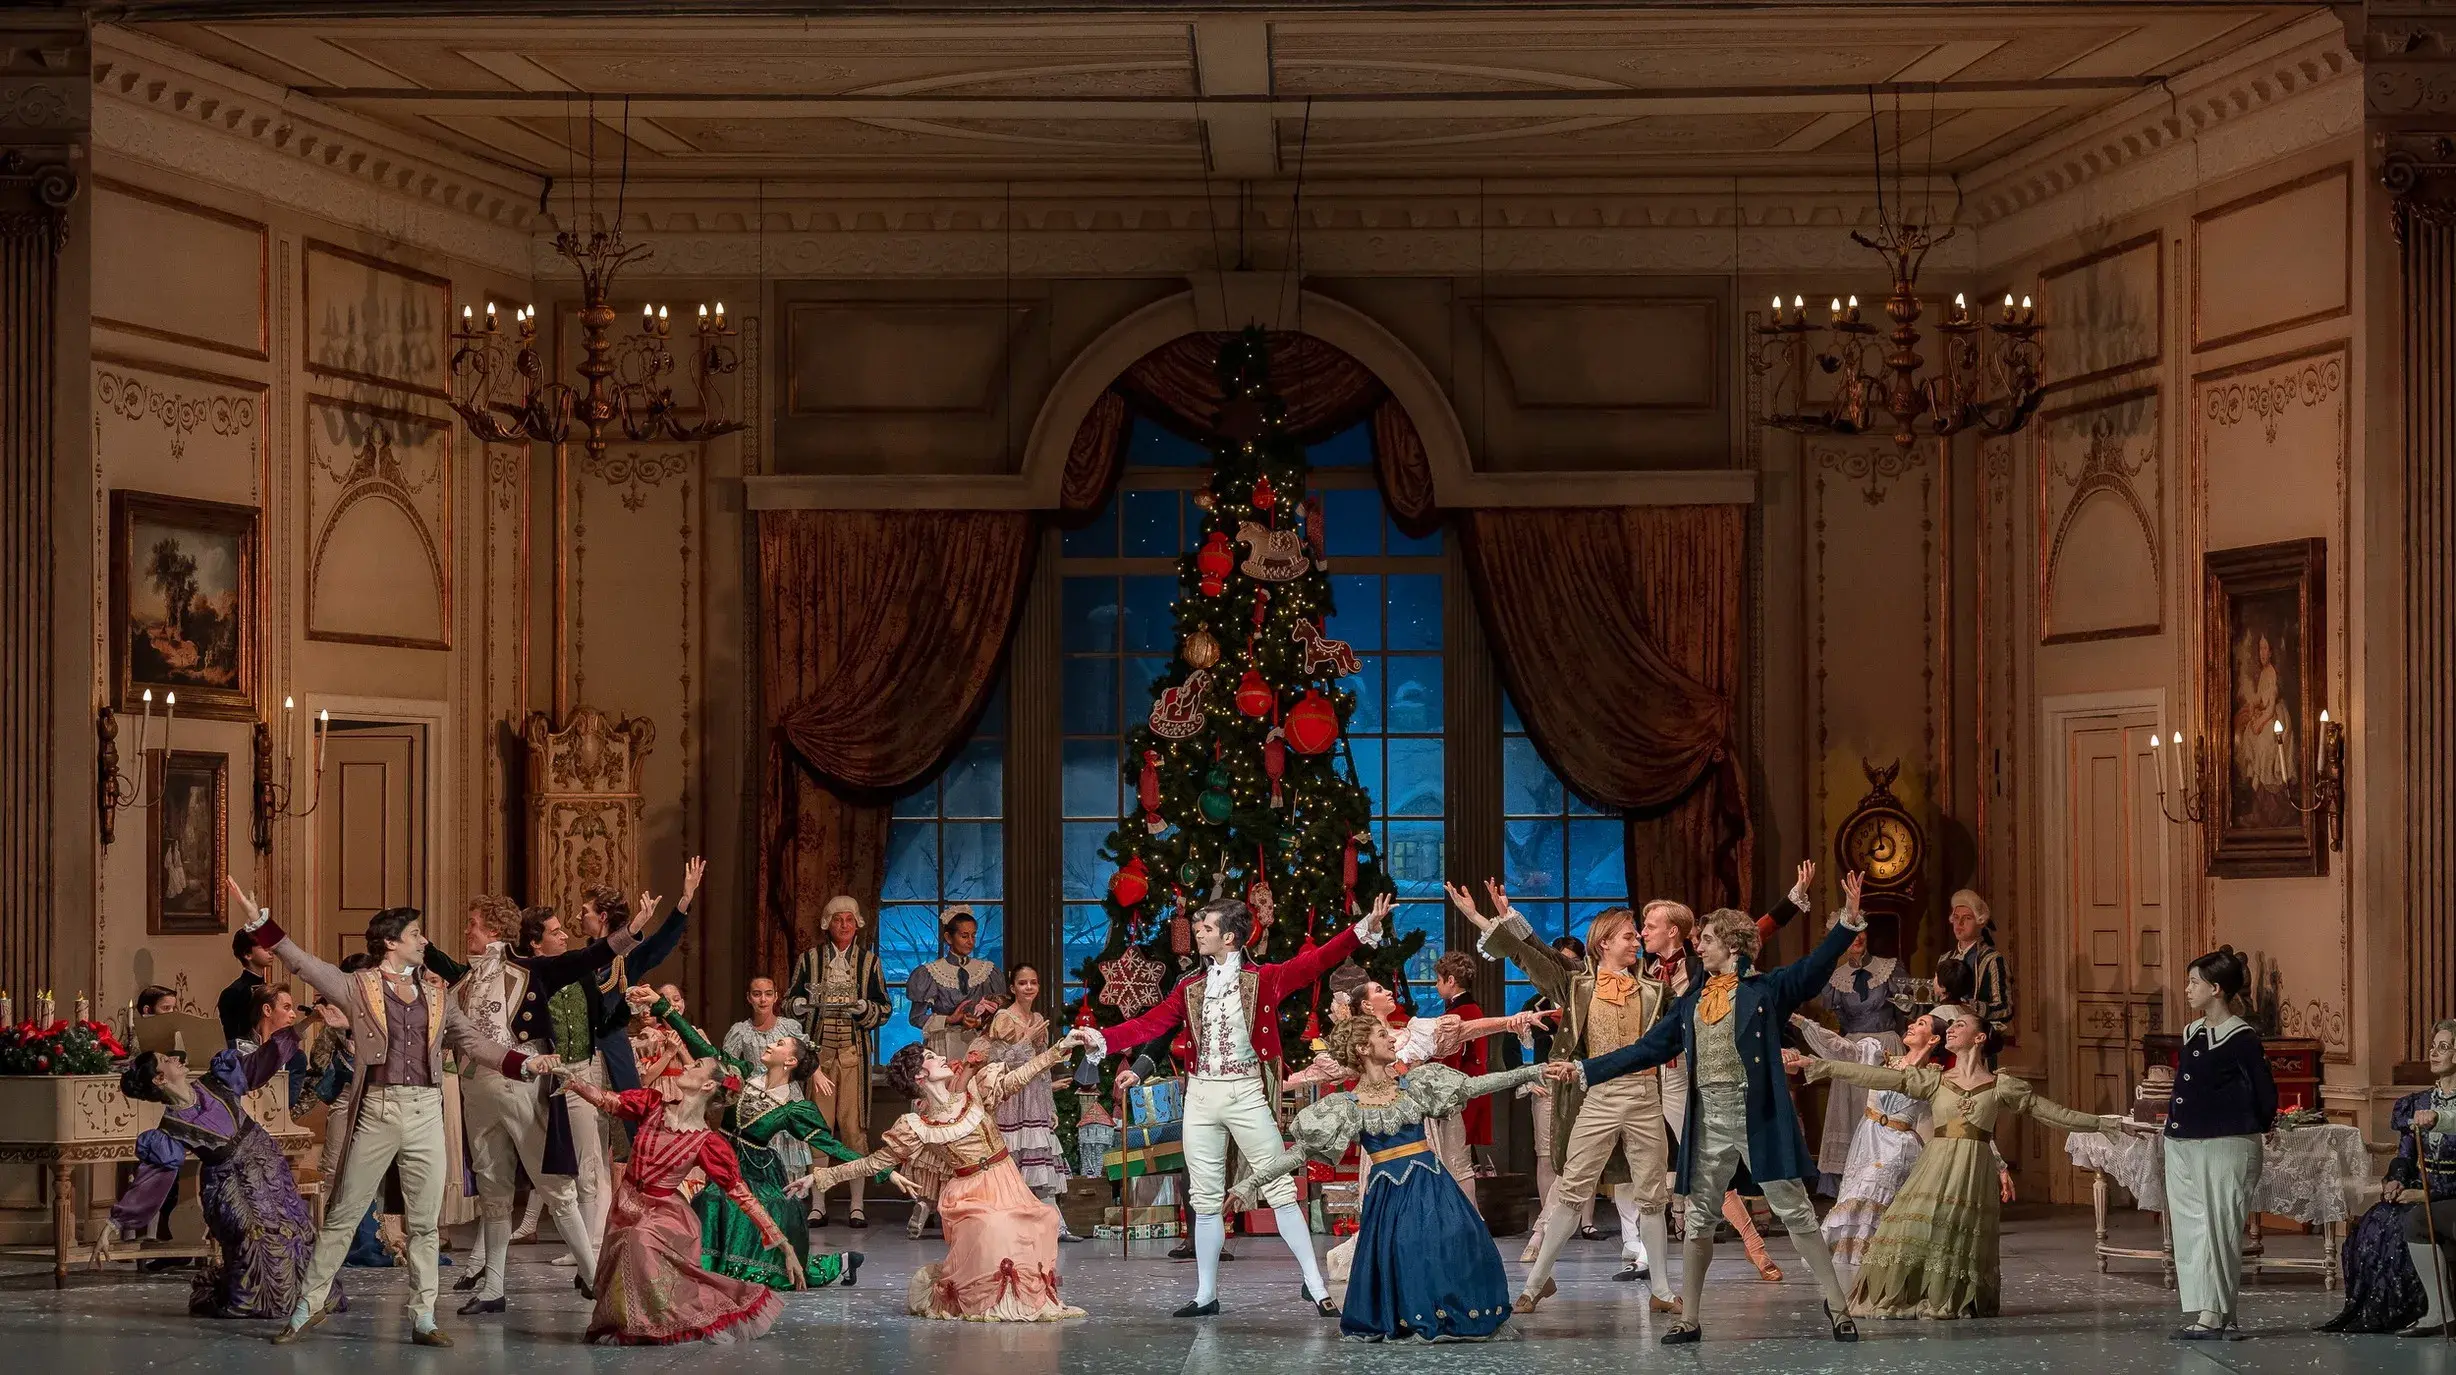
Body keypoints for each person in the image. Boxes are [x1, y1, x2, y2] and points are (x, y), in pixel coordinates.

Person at [221, 877, 561, 1348]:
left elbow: (474, 1042)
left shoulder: (439, 995)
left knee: (424, 1223)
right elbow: (302, 962)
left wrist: (523, 1062)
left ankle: (424, 1316)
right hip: (378, 1110)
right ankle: (307, 1305)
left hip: (425, 1111)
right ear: (390, 943)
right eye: (416, 934)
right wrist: (260, 921)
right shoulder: (358, 987)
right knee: (344, 1213)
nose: (424, 941)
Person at [1576, 877, 1874, 1345]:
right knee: (1699, 1219)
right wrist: (1586, 1070)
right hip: (1709, 1122)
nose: (1698, 946)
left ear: (1733, 946)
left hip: (1757, 1117)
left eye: (1708, 939)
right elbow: (1647, 1049)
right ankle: (1689, 1318)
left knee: (1795, 1212)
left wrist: (1847, 922)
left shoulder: (1766, 990)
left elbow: (1813, 968)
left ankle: (1838, 1307)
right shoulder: (1693, 1000)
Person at [1085, 893, 1386, 1317]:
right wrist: (1102, 1038)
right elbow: (1150, 1023)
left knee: (1279, 1187)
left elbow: (1315, 962)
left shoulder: (1265, 978)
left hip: (1246, 1093)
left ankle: (1315, 1285)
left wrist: (1361, 929)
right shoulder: (1190, 987)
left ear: (1229, 937)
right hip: (1201, 1096)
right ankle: (1205, 1293)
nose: (1198, 934)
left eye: (1206, 928)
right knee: (1205, 1197)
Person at [1228, 1014, 1575, 1343]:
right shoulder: (1348, 1106)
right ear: (1363, 1048)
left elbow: (1474, 1086)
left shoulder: (1414, 1087)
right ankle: (1414, 1315)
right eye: (1383, 1035)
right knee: (1406, 1251)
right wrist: (1249, 1184)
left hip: (1431, 1182)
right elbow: (1298, 1155)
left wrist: (1530, 1071)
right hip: (1390, 1192)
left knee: (1460, 1239)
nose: (1392, 1040)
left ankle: (1454, 1313)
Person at [1449, 880, 1684, 1314]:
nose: (1637, 941)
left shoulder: (1655, 991)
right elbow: (1531, 956)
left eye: (1638, 935)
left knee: (1652, 1195)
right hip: (1598, 1097)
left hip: (1644, 1096)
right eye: (1629, 936)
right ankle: (1536, 1283)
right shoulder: (1578, 986)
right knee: (1572, 1190)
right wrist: (1485, 918)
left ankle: (1662, 1289)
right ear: (1605, 942)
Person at [1791, 1006, 2115, 1317]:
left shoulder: (2001, 1085)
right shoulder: (1935, 1080)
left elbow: (2054, 1113)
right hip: (1934, 1165)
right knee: (1914, 1228)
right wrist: (1818, 1066)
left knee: (1960, 1235)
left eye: (1960, 1025)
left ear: (1979, 1037)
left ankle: (1951, 1297)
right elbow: (1870, 1075)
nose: (1952, 1029)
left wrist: (2104, 1124)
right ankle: (1908, 1292)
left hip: (1973, 1170)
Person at [429, 892, 646, 1315]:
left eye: (473, 923)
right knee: (493, 1192)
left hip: (522, 1086)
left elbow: (586, 958)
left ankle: (593, 1278)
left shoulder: (531, 970)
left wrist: (632, 931)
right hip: (477, 1092)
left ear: (493, 929)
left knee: (555, 1188)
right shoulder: (466, 979)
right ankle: (493, 1288)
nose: (467, 930)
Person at [805, 1034, 1091, 1320]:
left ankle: (1019, 1299)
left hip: (1005, 1178)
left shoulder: (974, 1093)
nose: (942, 1057)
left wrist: (1059, 1048)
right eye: (931, 1057)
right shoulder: (918, 1125)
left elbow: (1019, 1077)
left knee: (1037, 1223)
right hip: (970, 1190)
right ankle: (991, 1302)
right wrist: (822, 1176)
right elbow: (874, 1163)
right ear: (919, 1076)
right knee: (993, 1226)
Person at [103, 1010, 346, 1317]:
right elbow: (151, 1182)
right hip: (231, 1182)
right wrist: (113, 1225)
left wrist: (306, 1023)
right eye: (166, 1059)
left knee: (293, 1226)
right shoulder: (172, 1129)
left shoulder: (218, 1079)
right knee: (252, 1234)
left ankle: (308, 1295)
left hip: (268, 1167)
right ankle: (264, 1300)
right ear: (159, 1078)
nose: (176, 1058)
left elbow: (263, 1059)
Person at [558, 1055, 801, 1343]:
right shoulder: (652, 1105)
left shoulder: (707, 1142)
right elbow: (609, 1101)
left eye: (696, 1065)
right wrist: (574, 1083)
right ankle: (631, 1322)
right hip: (626, 1203)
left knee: (639, 1239)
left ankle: (654, 1326)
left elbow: (741, 1194)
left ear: (708, 1085)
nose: (686, 1066)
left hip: (663, 1214)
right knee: (624, 1262)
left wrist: (783, 1244)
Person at [633, 988, 865, 1290]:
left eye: (779, 1044)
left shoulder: (791, 1108)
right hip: (725, 1159)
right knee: (711, 1200)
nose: (771, 1044)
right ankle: (701, 1268)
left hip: (758, 1172)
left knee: (741, 1205)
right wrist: (662, 1006)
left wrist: (883, 1169)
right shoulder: (741, 1076)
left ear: (790, 1061)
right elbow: (701, 1046)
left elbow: (832, 1146)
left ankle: (835, 1263)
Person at [1641, 897, 1786, 1286]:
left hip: (1686, 1075)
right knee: (1639, 1164)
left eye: (1650, 926)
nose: (1642, 933)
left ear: (1673, 931)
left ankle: (1754, 1243)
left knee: (1708, 1164)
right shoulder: (1643, 971)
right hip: (1647, 1075)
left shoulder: (1699, 966)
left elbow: (1755, 932)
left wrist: (1790, 903)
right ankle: (1640, 1251)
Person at [2160, 946, 2278, 1341]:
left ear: (2216, 989)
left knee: (2220, 1228)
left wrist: (2259, 1124)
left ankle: (2219, 1315)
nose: (2187, 989)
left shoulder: (2241, 1037)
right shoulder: (2192, 1032)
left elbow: (2264, 1091)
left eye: (2194, 982)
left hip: (2226, 1142)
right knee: (2193, 1228)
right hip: (2183, 1140)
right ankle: (2209, 1311)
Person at [1788, 1008, 1962, 1265]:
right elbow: (1841, 1050)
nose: (1911, 1026)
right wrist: (1801, 1021)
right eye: (1914, 1022)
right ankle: (1850, 1259)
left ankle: (1872, 1256)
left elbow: (1958, 1118)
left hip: (1899, 1144)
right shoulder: (1880, 1057)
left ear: (1934, 1039)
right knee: (1856, 1194)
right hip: (1868, 1138)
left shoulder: (1933, 1077)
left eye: (1921, 1024)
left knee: (1872, 1188)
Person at [2321, 1018, 2456, 1335]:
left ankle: (2433, 1310)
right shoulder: (2418, 1103)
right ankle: (2386, 1312)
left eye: (2443, 1047)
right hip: (2418, 1187)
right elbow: (2406, 1154)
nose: (2434, 1053)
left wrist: (2425, 1194)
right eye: (2433, 1046)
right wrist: (2396, 1179)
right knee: (2378, 1221)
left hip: (2446, 1193)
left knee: (2410, 1221)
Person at [783, 894, 893, 1229]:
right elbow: (787, 1002)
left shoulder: (869, 962)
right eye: (837, 920)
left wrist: (865, 1009)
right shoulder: (810, 959)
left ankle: (857, 1205)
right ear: (827, 924)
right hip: (818, 1059)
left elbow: (885, 1008)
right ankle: (818, 1204)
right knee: (817, 1128)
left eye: (848, 920)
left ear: (857, 924)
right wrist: (799, 1006)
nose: (843, 926)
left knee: (854, 1130)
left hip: (853, 1057)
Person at [1807, 913, 1909, 1193]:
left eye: (1861, 930)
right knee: (1854, 1112)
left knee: (1885, 1111)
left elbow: (1905, 1012)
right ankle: (1852, 1182)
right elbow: (1835, 1019)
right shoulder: (1836, 978)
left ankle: (1888, 1179)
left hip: (1887, 1047)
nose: (1858, 938)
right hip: (1852, 1050)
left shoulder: (1889, 968)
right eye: (1850, 934)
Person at [980, 964, 1075, 1238]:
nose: (1029, 987)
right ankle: (1010, 1227)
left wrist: (1049, 1106)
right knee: (1014, 1163)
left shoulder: (1038, 1018)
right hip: (1012, 1098)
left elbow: (1042, 1067)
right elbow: (996, 1063)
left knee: (1040, 1161)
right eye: (1023, 983)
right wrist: (1026, 1040)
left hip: (1034, 1097)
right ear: (1013, 988)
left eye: (1033, 982)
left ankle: (1056, 1226)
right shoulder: (1003, 1018)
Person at [1945, 890, 2014, 1039]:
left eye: (1967, 918)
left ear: (1979, 922)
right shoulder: (1945, 958)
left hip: (1977, 1039)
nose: (1959, 923)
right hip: (1947, 1037)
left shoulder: (1991, 959)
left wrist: (1971, 1007)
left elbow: (2005, 1008)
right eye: (1956, 918)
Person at [218, 927, 280, 1048]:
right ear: (247, 954)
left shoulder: (268, 989)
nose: (270, 951)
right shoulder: (234, 992)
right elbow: (233, 1037)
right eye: (263, 947)